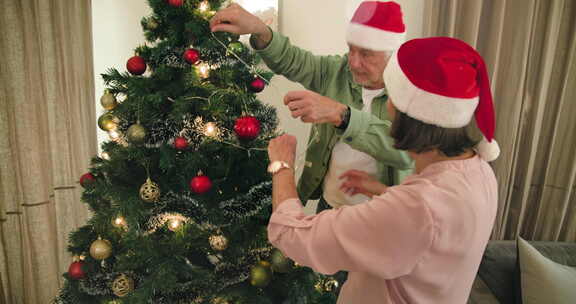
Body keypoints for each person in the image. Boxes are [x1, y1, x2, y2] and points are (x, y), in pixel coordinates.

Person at [266, 37, 501, 303]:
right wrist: (384, 192)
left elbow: (292, 235)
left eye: (392, 94)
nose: (386, 105)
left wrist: (281, 165)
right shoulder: (479, 170)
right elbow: (433, 233)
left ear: (408, 113)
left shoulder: (416, 208)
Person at [211, 1, 414, 211]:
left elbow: (407, 151)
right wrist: (259, 29)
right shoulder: (337, 70)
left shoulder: (412, 93)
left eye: (366, 54)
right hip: (328, 206)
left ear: (391, 54)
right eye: (351, 50)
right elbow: (292, 60)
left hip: (381, 216)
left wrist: (341, 115)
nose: (353, 62)